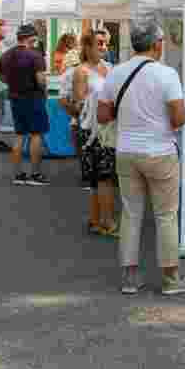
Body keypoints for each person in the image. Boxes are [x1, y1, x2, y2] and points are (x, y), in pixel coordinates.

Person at [97, 21, 185, 296]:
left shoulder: (115, 73)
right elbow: (178, 118)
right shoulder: (166, 75)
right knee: (166, 215)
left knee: (131, 213)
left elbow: (102, 116)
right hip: (160, 152)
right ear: (156, 44)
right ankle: (171, 279)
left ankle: (130, 278)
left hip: (126, 151)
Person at [72, 30, 114, 235]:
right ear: (87, 47)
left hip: (109, 128)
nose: (103, 47)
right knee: (101, 177)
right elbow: (78, 104)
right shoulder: (81, 71)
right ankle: (103, 221)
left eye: (105, 44)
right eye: (99, 43)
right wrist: (94, 103)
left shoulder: (111, 69)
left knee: (103, 177)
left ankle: (96, 220)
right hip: (91, 131)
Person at [0, 24, 50, 186]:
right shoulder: (36, 56)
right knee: (36, 135)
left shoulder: (6, 55)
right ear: (32, 38)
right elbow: (41, 79)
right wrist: (45, 90)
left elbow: (1, 76)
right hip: (34, 98)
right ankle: (35, 174)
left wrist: (13, 84)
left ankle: (18, 174)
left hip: (15, 98)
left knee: (19, 135)